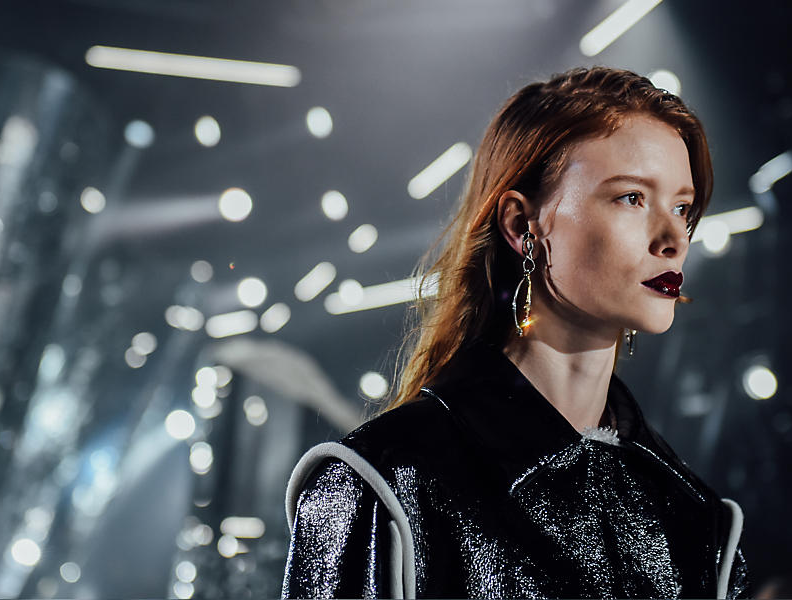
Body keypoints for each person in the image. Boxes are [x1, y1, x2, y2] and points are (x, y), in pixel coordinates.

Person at [281, 66, 749, 599]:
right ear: (522, 226)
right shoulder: (387, 483)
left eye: (683, 207)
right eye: (631, 198)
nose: (674, 238)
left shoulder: (695, 519)